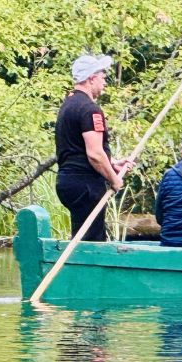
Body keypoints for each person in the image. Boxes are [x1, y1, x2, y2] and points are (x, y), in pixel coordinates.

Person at [54, 54, 129, 242]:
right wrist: (114, 180)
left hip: (67, 181)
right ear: (91, 78)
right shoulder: (90, 109)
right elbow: (95, 154)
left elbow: (76, 147)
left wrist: (111, 163)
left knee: (82, 236)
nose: (105, 82)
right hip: (84, 185)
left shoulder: (68, 104)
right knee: (91, 242)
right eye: (102, 77)